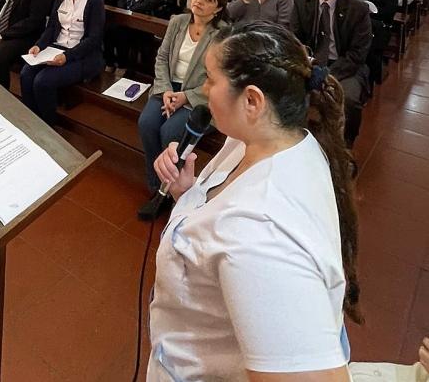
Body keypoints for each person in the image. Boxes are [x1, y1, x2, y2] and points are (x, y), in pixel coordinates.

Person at [149, 21, 362, 382]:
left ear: (251, 100)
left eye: (211, 79)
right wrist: (187, 194)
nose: (203, 88)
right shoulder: (261, 139)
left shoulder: (261, 235)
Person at [137, 0, 228, 217]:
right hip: (168, 90)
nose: (200, 1)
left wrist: (185, 97)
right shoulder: (178, 22)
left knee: (170, 133)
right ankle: (157, 186)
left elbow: (217, 77)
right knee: (147, 123)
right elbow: (161, 58)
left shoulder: (221, 34)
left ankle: (168, 191)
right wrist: (166, 90)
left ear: (218, 8)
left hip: (200, 97)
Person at [291, 0, 372, 147]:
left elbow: (358, 53)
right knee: (280, 86)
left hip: (345, 65)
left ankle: (345, 145)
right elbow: (295, 38)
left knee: (349, 99)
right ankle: (293, 140)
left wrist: (328, 74)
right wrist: (308, 64)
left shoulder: (357, 8)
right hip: (309, 62)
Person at [21, 0, 105, 124]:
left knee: (42, 81)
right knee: (26, 73)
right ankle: (31, 121)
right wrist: (39, 45)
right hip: (56, 49)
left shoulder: (95, 0)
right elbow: (52, 28)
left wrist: (67, 56)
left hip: (82, 55)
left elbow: (94, 39)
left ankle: (48, 125)